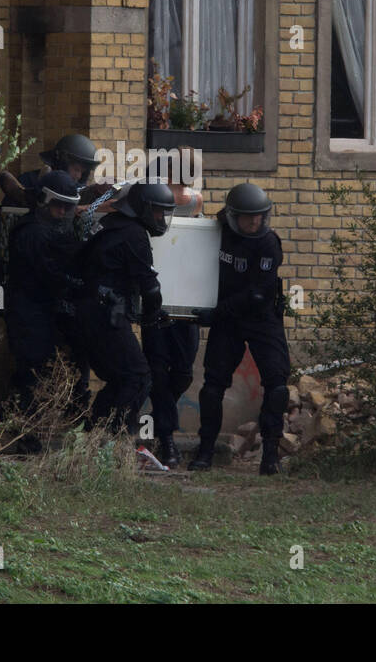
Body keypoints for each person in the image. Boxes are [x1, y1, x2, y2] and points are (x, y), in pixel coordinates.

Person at [190, 183, 289, 476]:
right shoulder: (218, 232)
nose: (254, 222)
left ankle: (270, 455)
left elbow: (258, 295)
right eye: (248, 217)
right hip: (228, 320)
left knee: (277, 383)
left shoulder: (269, 243)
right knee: (212, 386)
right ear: (233, 216)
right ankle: (205, 450)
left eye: (259, 216)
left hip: (261, 317)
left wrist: (216, 312)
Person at [75, 180, 176, 434]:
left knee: (121, 378)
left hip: (89, 311)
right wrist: (152, 317)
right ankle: (116, 439)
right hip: (104, 315)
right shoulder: (134, 234)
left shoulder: (111, 224)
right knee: (138, 377)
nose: (161, 218)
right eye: (157, 211)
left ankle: (93, 435)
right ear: (142, 208)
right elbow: (150, 289)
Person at [3, 171, 84, 440]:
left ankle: (35, 434)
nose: (62, 211)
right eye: (57, 204)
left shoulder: (54, 230)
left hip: (45, 315)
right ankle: (26, 438)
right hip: (29, 316)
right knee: (31, 378)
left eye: (67, 206)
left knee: (41, 377)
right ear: (44, 201)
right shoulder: (31, 232)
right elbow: (49, 273)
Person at [141, 151, 203, 467]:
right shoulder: (156, 196)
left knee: (181, 373)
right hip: (157, 296)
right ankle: (167, 441)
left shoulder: (191, 199)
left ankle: (159, 416)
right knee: (159, 371)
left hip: (185, 296)